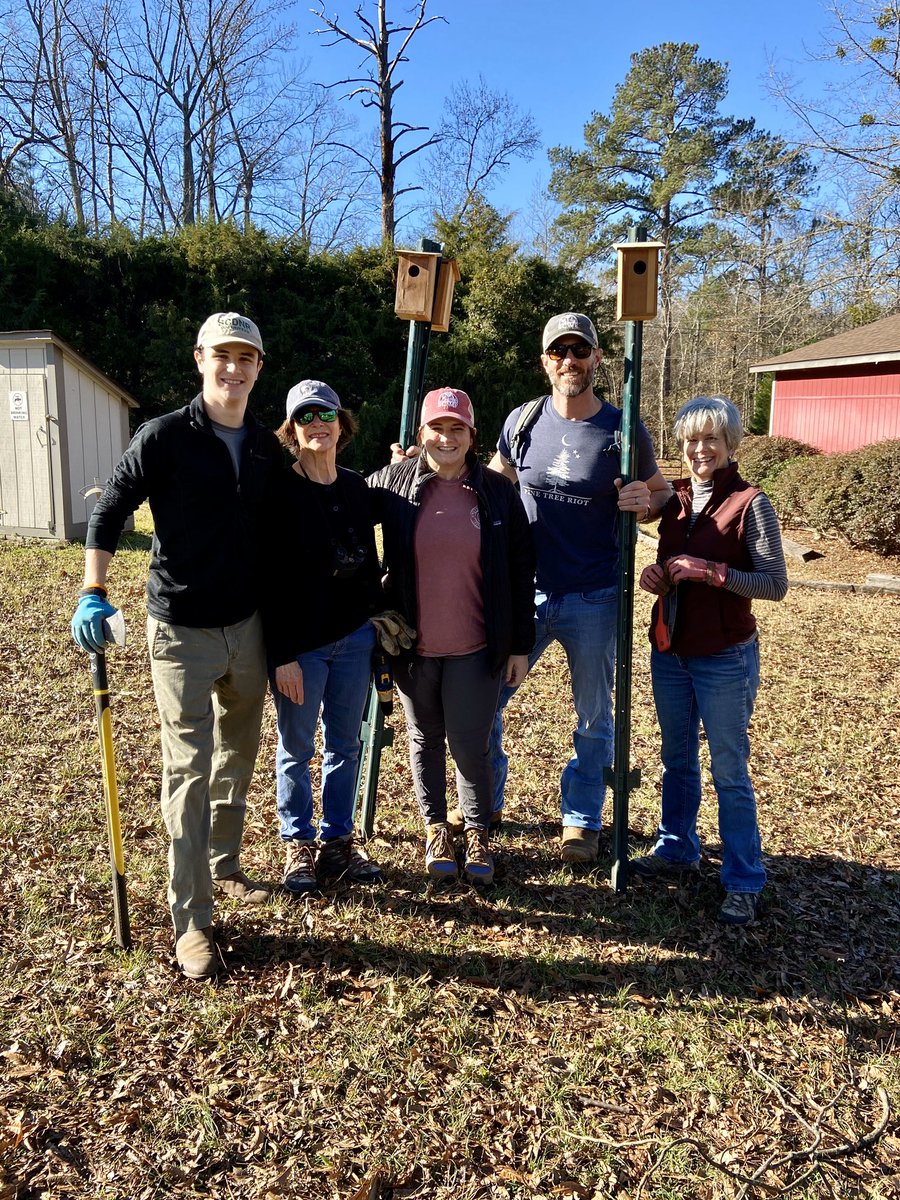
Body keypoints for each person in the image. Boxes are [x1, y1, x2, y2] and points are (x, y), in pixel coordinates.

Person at [70, 312, 282, 980]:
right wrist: (93, 589)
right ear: (200, 359)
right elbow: (110, 510)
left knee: (239, 756)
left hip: (247, 628)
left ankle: (224, 862)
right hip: (180, 629)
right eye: (223, 355)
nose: (235, 368)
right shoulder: (161, 437)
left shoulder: (265, 448)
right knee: (188, 770)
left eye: (246, 358)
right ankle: (191, 920)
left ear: (257, 369)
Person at [482, 313, 672, 863]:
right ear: (545, 361)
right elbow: (496, 485)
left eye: (580, 351)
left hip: (595, 594)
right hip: (527, 593)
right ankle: (486, 804)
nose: (570, 361)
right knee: (487, 698)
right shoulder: (523, 421)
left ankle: (582, 821)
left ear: (596, 359)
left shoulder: (623, 426)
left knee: (593, 715)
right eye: (559, 351)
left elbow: (660, 495)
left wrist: (646, 501)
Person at [370, 388, 536, 885]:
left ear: (471, 437)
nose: (446, 438)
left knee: (469, 743)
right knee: (423, 740)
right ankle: (436, 828)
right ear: (421, 435)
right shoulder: (395, 484)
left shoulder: (496, 491)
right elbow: (340, 499)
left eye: (456, 429)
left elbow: (522, 568)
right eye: (436, 429)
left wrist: (520, 644)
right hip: (415, 646)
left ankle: (478, 831)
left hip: (476, 645)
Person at [634, 396, 788, 925]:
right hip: (672, 650)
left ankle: (744, 877)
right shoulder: (674, 502)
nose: (700, 449)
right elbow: (665, 565)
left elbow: (775, 584)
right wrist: (654, 576)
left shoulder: (749, 503)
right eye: (691, 440)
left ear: (729, 445)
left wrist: (714, 572)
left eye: (711, 440)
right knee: (675, 756)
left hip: (725, 656)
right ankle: (677, 844)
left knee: (729, 768)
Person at [264, 380, 386, 895]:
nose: (318, 424)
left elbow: (370, 567)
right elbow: (263, 581)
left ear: (343, 424)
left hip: (354, 639)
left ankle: (338, 843)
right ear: (291, 430)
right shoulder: (279, 490)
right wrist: (281, 655)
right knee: (297, 746)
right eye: (306, 416)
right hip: (302, 646)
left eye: (327, 415)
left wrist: (377, 632)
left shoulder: (356, 488)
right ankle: (297, 841)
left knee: (346, 744)